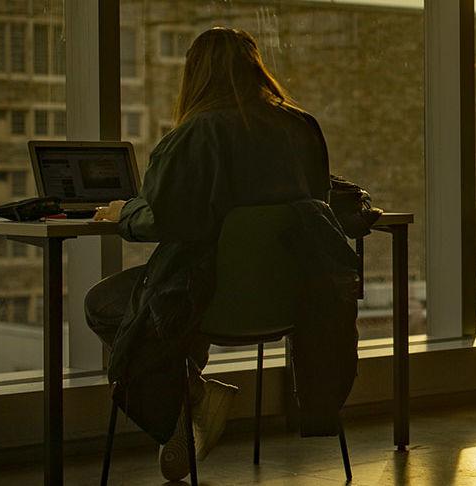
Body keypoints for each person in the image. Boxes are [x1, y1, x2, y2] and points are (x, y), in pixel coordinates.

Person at [87, 27, 331, 482]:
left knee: (110, 303)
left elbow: (163, 220)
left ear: (193, 75)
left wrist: (123, 211)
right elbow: (319, 205)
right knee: (176, 299)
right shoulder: (302, 127)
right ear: (256, 66)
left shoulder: (196, 135)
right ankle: (191, 396)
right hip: (288, 300)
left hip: (209, 299)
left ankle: (192, 397)